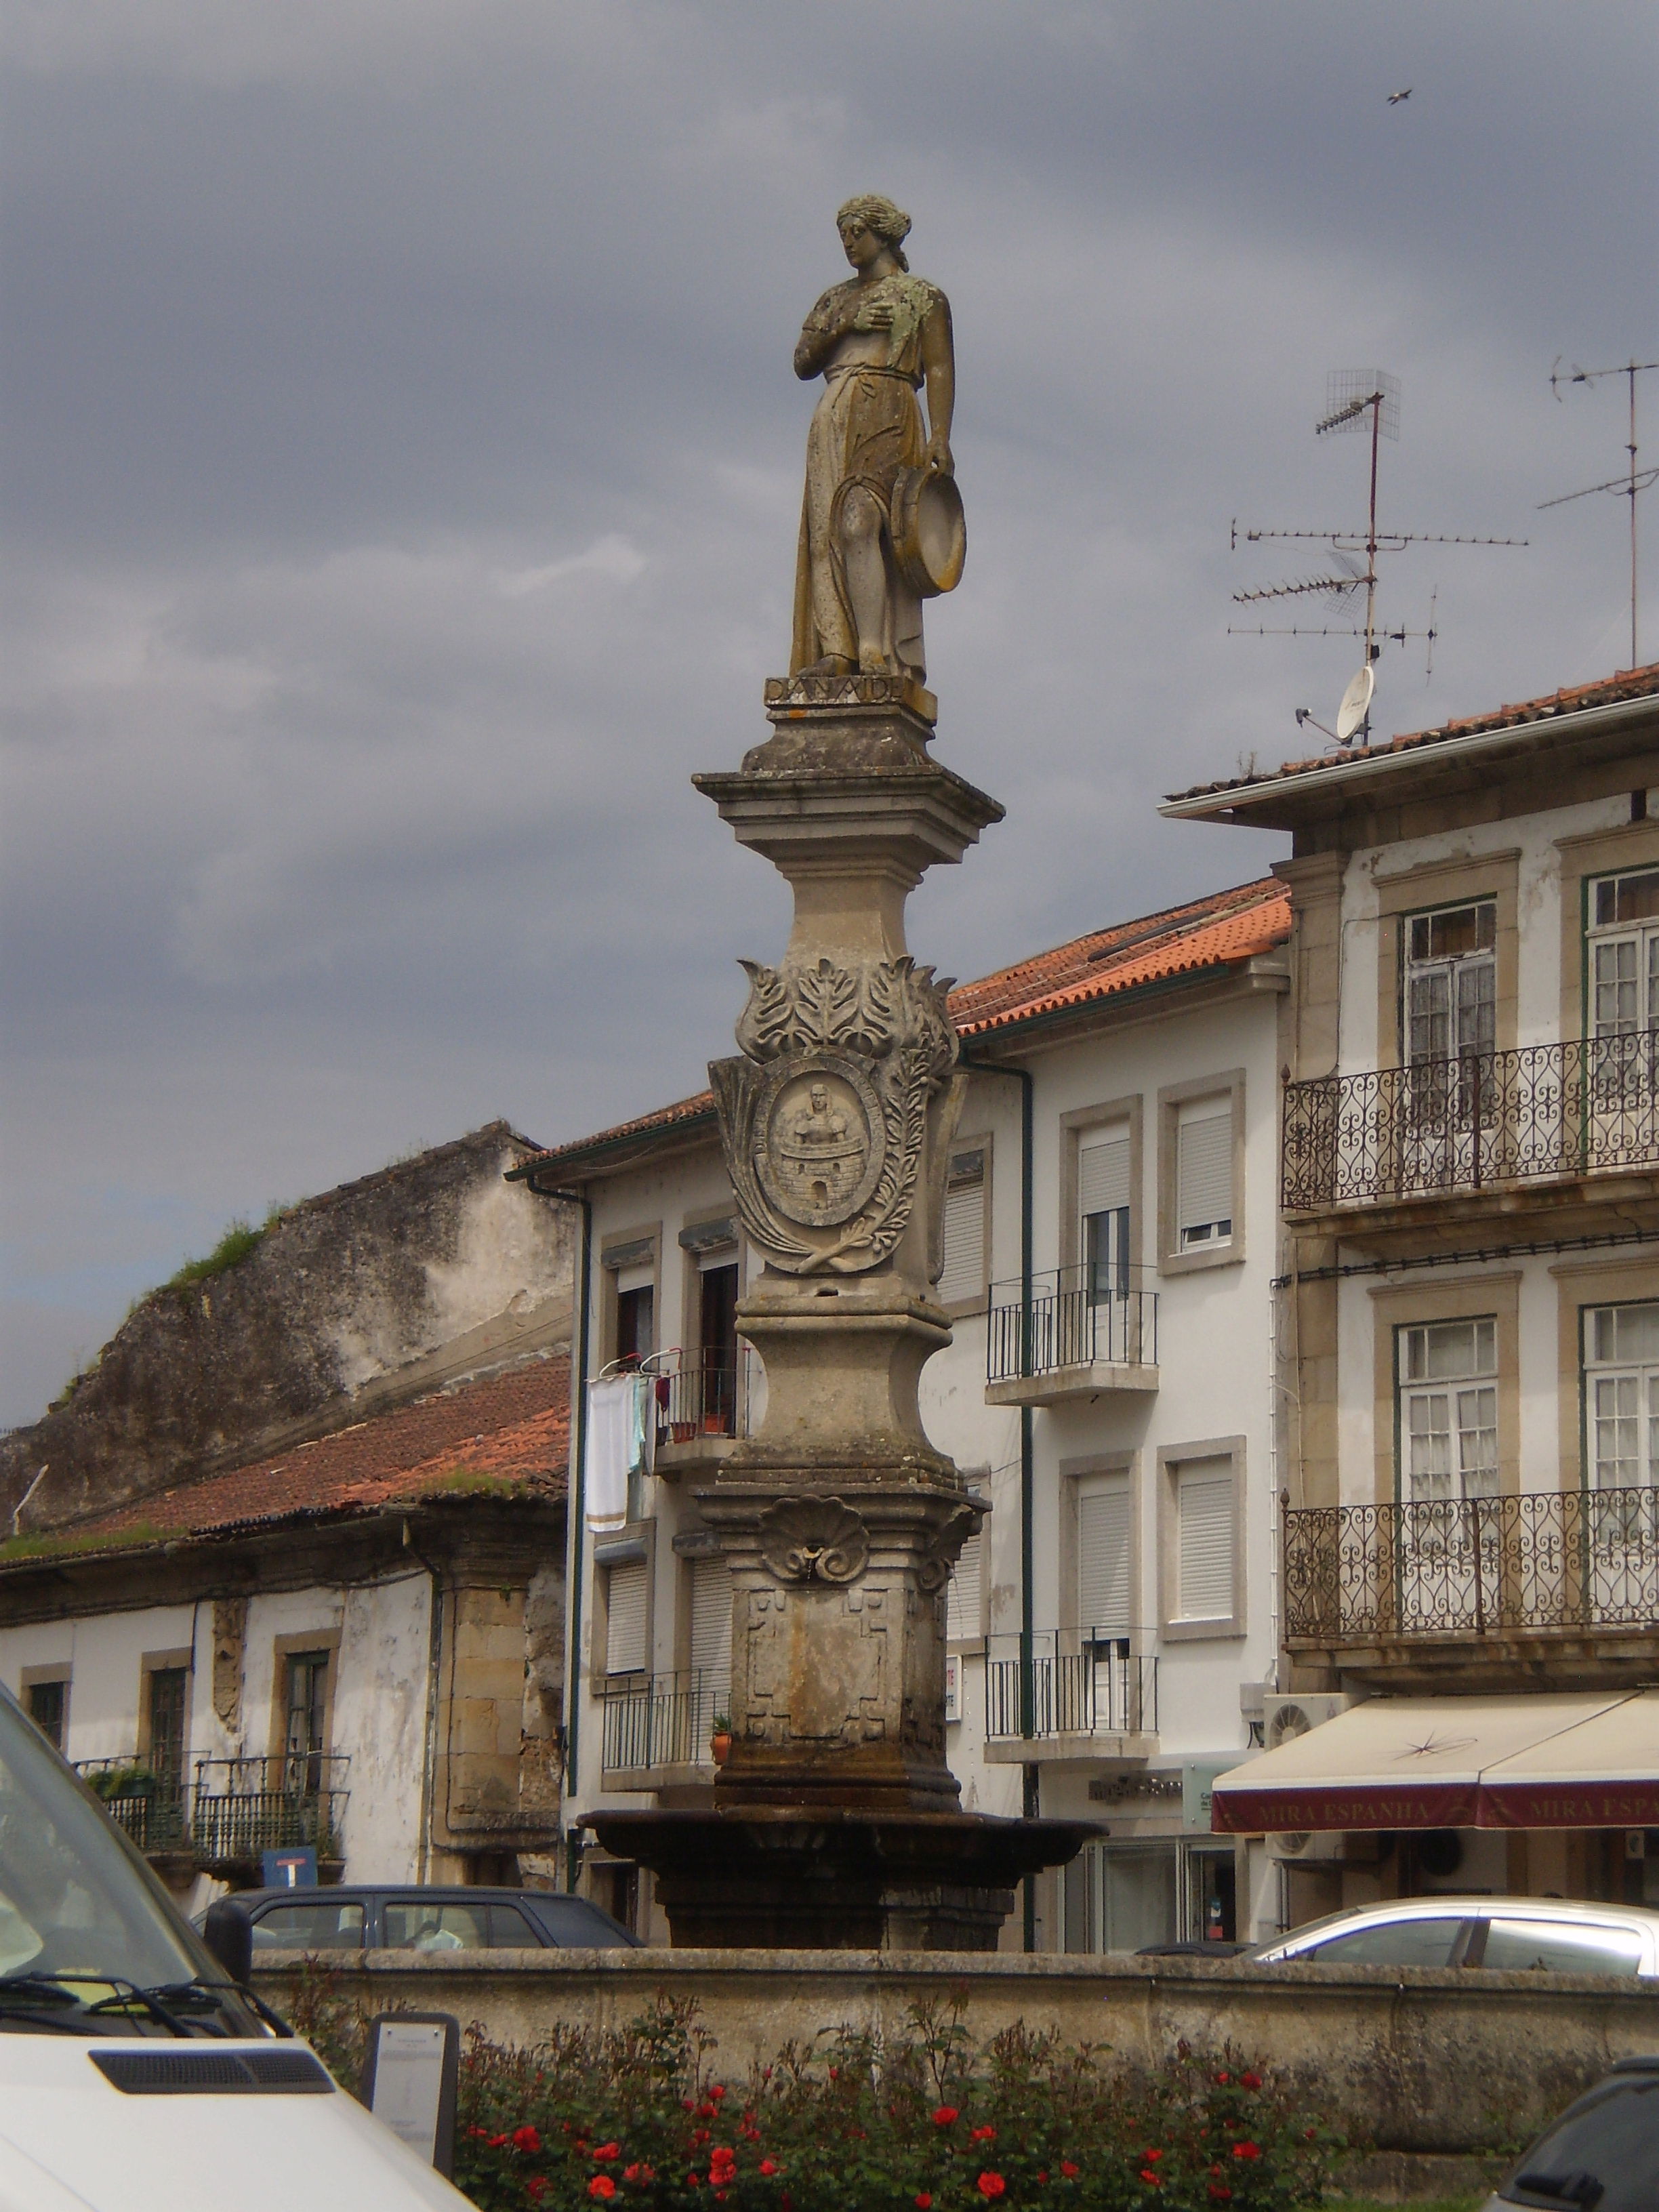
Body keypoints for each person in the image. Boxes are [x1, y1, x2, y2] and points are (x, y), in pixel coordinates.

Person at [791, 194, 955, 681]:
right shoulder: (834, 299)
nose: (847, 242)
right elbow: (802, 361)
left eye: (856, 232)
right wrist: (845, 324)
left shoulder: (921, 296)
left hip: (889, 403)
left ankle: (873, 650)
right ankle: (837, 648)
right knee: (828, 533)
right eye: (842, 233)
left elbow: (941, 367)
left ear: (882, 235)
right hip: (833, 414)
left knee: (863, 519)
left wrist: (941, 436)